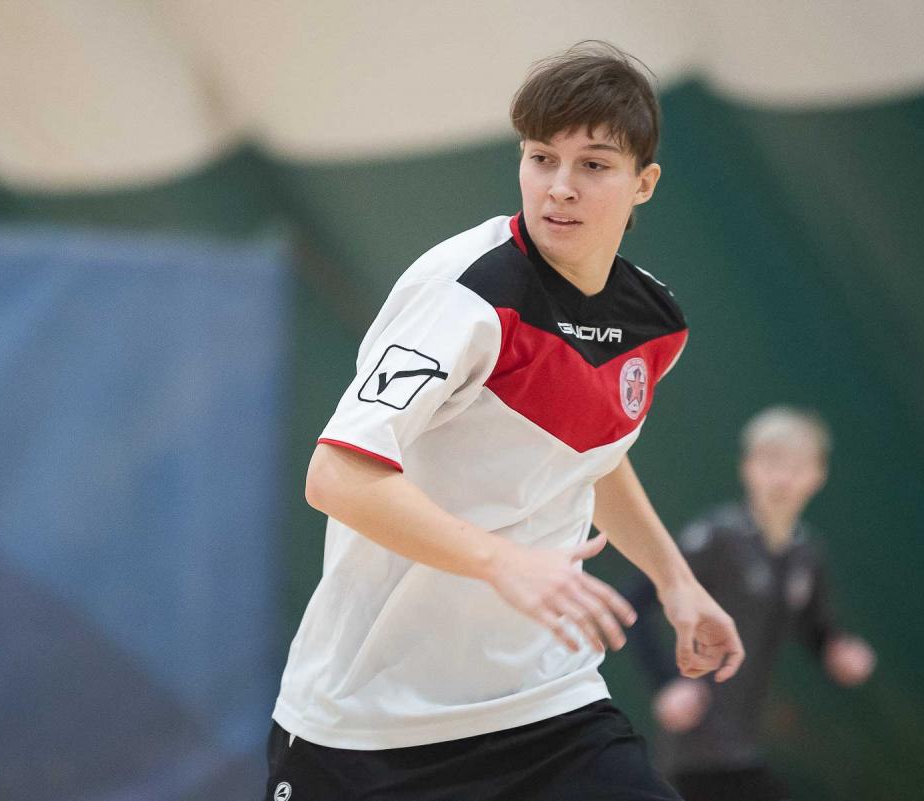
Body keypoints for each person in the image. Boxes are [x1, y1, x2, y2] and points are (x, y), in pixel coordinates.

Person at [263, 41, 745, 801]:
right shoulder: (465, 295)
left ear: (644, 183)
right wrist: (503, 562)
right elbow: (337, 477)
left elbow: (588, 457)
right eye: (541, 158)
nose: (560, 187)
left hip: (548, 704)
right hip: (369, 728)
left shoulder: (652, 322)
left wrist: (675, 582)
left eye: (593, 165)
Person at [626, 406, 876, 801]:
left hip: (745, 741)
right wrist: (668, 684)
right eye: (772, 463)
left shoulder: (806, 553)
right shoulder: (717, 537)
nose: (783, 478)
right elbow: (636, 604)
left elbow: (817, 628)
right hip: (697, 744)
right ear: (748, 467)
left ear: (818, 476)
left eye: (797, 466)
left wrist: (839, 651)